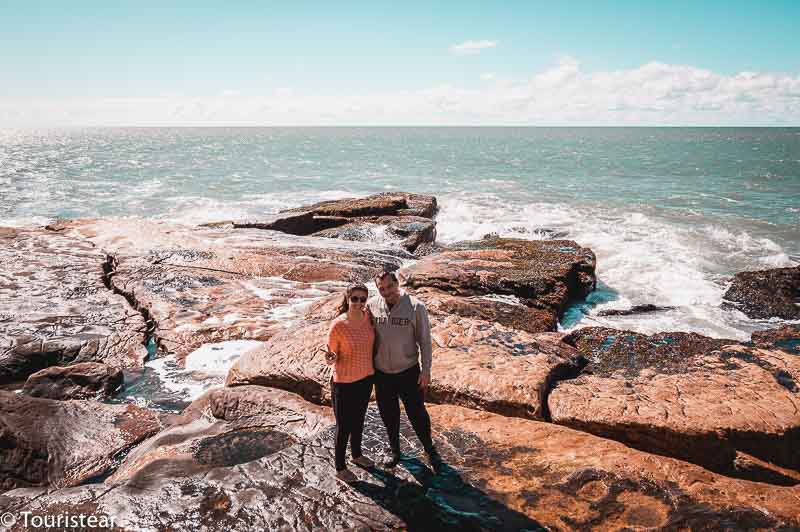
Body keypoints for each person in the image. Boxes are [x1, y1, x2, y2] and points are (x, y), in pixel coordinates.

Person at [367, 271, 441, 471]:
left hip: (408, 371)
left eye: (390, 287)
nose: (386, 292)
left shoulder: (416, 307)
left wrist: (426, 371)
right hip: (382, 373)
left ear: (397, 283)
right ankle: (395, 451)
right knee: (388, 414)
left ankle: (429, 448)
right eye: (381, 289)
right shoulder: (372, 306)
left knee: (417, 413)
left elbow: (425, 341)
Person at [325, 283, 376, 483]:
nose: (359, 303)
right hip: (344, 382)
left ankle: (356, 455)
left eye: (363, 299)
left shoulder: (368, 319)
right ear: (347, 299)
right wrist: (331, 358)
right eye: (355, 298)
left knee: (359, 420)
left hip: (365, 378)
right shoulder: (338, 324)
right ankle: (340, 467)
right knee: (344, 425)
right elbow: (331, 355)